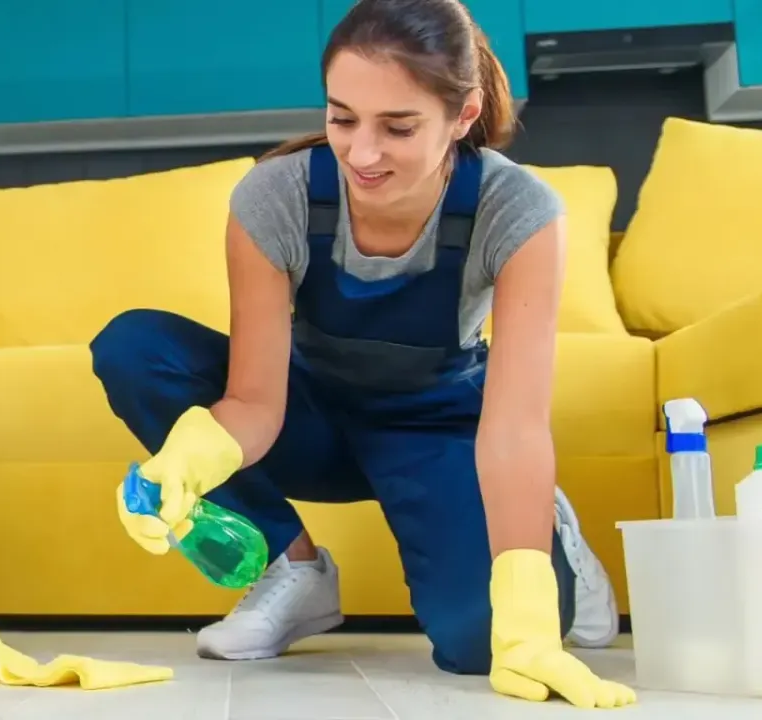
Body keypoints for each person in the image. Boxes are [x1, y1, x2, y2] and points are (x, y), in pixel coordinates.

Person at [89, 0, 635, 709]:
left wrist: (526, 612)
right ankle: (297, 570)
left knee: (483, 645)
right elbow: (255, 402)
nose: (362, 153)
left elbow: (515, 426)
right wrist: (187, 461)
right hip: (309, 416)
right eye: (342, 118)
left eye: (398, 127)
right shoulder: (277, 196)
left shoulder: (518, 211)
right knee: (136, 347)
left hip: (438, 433)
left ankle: (547, 529)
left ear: (463, 116)